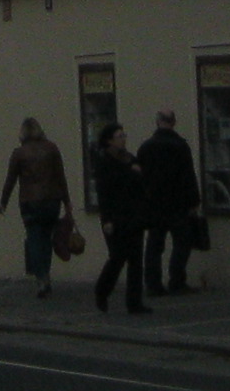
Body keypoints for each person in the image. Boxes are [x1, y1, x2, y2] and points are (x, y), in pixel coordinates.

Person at [0, 118, 71, 296]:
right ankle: (46, 275)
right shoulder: (52, 149)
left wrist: (3, 202)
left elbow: (10, 180)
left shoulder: (19, 153)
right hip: (51, 200)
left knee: (34, 239)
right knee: (47, 238)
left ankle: (41, 278)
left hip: (30, 202)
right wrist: (67, 202)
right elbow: (60, 177)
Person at [136, 110, 205, 295]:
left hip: (154, 203)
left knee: (154, 245)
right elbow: (188, 176)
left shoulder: (146, 147)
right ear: (174, 122)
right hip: (177, 203)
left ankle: (153, 284)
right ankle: (177, 280)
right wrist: (194, 201)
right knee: (182, 243)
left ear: (157, 122)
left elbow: (139, 177)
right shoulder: (180, 146)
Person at [87, 123, 150, 314]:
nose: (123, 139)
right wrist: (107, 220)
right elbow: (104, 193)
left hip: (134, 214)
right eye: (119, 136)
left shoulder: (130, 158)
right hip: (115, 216)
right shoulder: (104, 162)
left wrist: (138, 174)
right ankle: (102, 290)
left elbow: (141, 183)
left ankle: (134, 302)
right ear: (109, 141)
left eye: (124, 135)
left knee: (136, 260)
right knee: (117, 257)